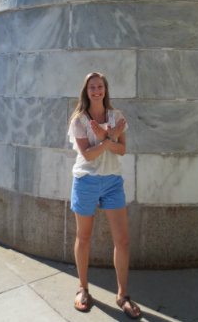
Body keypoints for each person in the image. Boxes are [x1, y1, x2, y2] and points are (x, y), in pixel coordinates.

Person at [68, 72, 141, 319]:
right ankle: (83, 287)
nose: (96, 90)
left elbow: (122, 150)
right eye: (92, 87)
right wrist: (109, 138)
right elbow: (87, 155)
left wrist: (105, 138)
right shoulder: (79, 120)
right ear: (86, 91)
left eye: (100, 86)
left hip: (112, 182)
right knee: (84, 236)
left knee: (122, 240)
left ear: (105, 89)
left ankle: (122, 295)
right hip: (86, 180)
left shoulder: (117, 116)